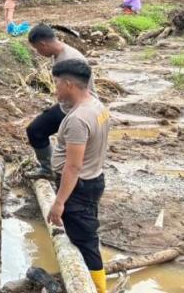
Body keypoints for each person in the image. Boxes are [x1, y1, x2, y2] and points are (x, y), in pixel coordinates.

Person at [46, 59, 109, 293]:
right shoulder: (97, 106)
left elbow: (73, 166)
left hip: (78, 187)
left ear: (68, 84)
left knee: (85, 241)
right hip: (93, 180)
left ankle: (97, 289)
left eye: (56, 83)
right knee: (86, 236)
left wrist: (59, 202)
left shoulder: (77, 120)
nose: (55, 89)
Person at [25, 24, 96, 179]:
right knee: (36, 130)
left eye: (37, 49)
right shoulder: (58, 54)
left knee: (38, 131)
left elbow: (77, 90)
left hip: (78, 108)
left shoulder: (70, 59)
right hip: (69, 104)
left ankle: (57, 171)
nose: (38, 52)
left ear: (43, 44)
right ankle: (50, 168)